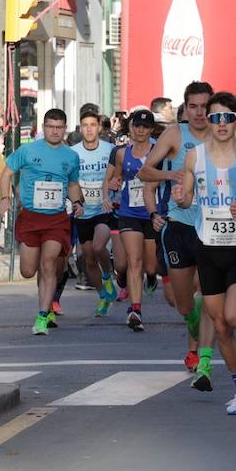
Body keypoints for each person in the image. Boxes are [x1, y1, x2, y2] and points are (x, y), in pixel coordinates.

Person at [170, 91, 236, 415]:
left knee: (235, 317)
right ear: (208, 119)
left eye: (228, 117)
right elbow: (187, 196)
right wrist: (181, 197)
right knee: (220, 326)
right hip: (207, 250)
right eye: (216, 117)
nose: (222, 124)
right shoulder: (195, 156)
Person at [140, 81, 216, 382]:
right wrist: (171, 173)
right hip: (180, 225)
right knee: (184, 303)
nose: (200, 112)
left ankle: (203, 358)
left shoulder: (222, 133)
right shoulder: (175, 134)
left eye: (204, 106)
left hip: (212, 226)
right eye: (193, 106)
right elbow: (146, 171)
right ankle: (194, 325)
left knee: (207, 295)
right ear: (186, 109)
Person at [0, 108, 82, 334]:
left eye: (59, 127)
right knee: (28, 270)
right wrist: (5, 198)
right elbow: (6, 173)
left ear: (64, 129)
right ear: (44, 127)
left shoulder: (71, 156)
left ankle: (43, 316)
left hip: (56, 219)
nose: (54, 131)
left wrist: (77, 202)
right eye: (50, 127)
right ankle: (44, 305)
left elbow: (73, 184)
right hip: (30, 218)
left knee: (48, 263)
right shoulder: (27, 150)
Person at [107, 108, 162, 332]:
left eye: (145, 127)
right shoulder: (122, 153)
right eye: (136, 126)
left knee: (150, 265)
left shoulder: (159, 151)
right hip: (129, 212)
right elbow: (117, 175)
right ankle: (135, 309)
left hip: (152, 212)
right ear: (130, 128)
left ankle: (151, 277)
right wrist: (114, 184)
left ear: (151, 129)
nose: (140, 131)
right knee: (134, 261)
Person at [72, 107, 119, 317]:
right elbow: (70, 181)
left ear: (99, 127)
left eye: (93, 125)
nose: (89, 129)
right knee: (89, 258)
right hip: (83, 211)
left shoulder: (111, 149)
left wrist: (115, 185)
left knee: (100, 246)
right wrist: (75, 201)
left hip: (103, 208)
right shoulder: (73, 152)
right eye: (85, 126)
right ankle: (103, 295)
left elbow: (120, 173)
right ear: (80, 128)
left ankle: (108, 275)